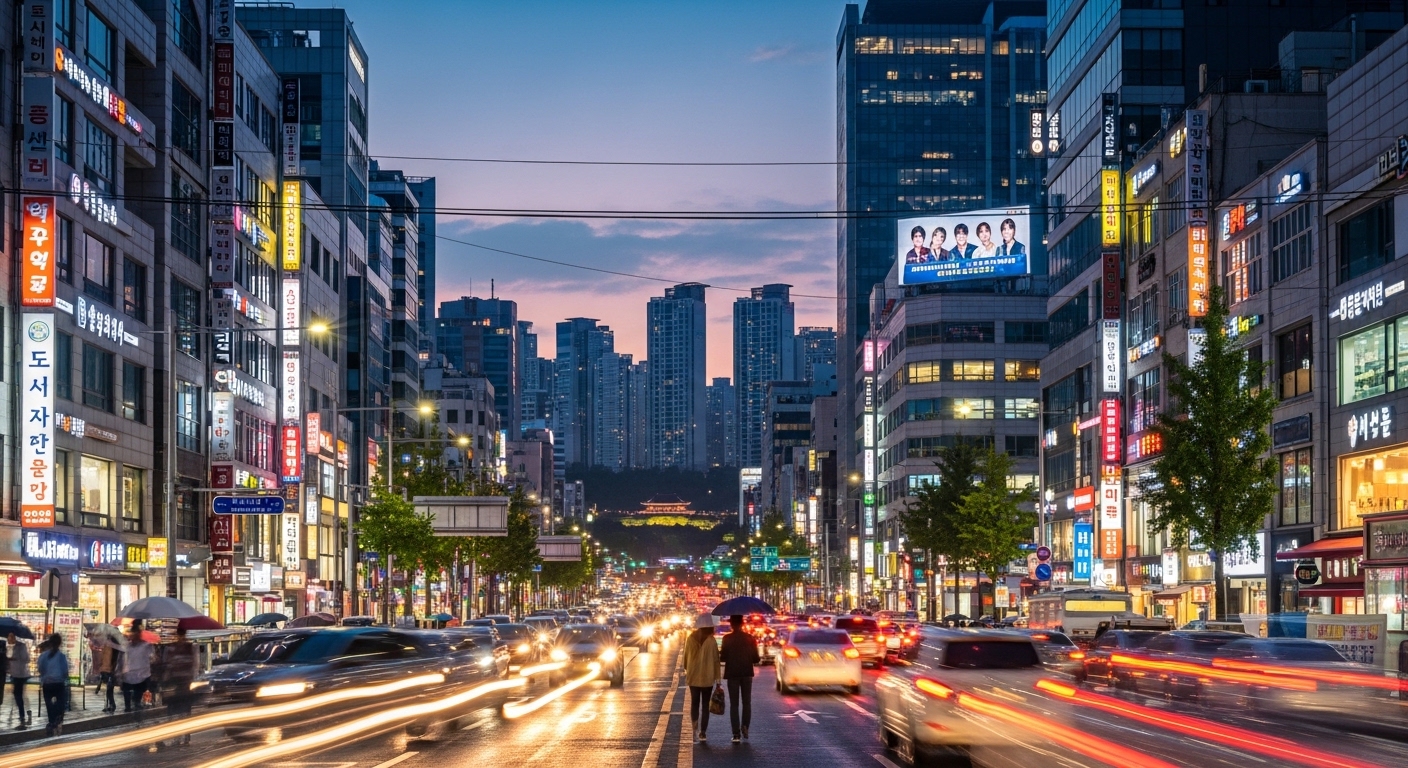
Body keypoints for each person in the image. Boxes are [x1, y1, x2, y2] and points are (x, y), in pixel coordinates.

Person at [719, 615, 760, 743]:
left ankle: (736, 734)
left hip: (732, 674)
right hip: (747, 673)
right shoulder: (750, 638)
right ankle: (745, 726)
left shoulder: (727, 638)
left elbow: (723, 658)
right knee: (746, 703)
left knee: (734, 704)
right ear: (742, 624)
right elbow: (756, 658)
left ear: (732, 625)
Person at [681, 613, 720, 743]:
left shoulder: (690, 638)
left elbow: (685, 658)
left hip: (693, 676)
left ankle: (694, 728)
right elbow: (716, 661)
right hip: (707, 677)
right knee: (705, 705)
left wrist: (688, 669)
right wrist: (718, 679)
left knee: (694, 703)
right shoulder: (712, 641)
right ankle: (703, 732)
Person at [161, 627, 198, 742]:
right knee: (175, 708)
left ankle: (186, 733)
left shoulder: (190, 647)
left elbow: (195, 664)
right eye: (179, 636)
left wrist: (194, 678)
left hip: (185, 681)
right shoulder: (171, 648)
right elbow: (166, 663)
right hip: (175, 681)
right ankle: (178, 734)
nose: (181, 638)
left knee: (185, 708)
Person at [119, 622, 155, 716]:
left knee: (137, 699)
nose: (133, 636)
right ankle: (129, 711)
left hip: (141, 676)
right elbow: (122, 659)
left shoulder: (146, 646)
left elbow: (153, 658)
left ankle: (136, 713)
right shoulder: (127, 646)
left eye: (135, 634)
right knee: (127, 699)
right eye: (132, 634)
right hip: (128, 675)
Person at [36, 634, 68, 738]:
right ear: (59, 643)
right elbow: (65, 671)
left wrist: (46, 675)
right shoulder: (61, 656)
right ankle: (57, 717)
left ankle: (51, 722)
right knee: (61, 702)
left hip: (47, 683)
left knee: (49, 704)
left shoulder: (43, 656)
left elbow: (40, 669)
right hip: (59, 683)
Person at [89, 630, 120, 713]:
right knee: (109, 689)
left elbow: (107, 658)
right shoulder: (114, 645)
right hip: (109, 669)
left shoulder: (110, 645)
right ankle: (110, 705)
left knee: (109, 689)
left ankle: (111, 705)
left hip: (108, 669)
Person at [7, 632, 32, 730]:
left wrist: (14, 659)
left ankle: (23, 716)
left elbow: (26, 659)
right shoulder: (9, 647)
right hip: (14, 674)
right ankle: (22, 714)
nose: (9, 638)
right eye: (9, 636)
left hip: (21, 674)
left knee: (19, 695)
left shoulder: (21, 646)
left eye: (11, 636)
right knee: (18, 695)